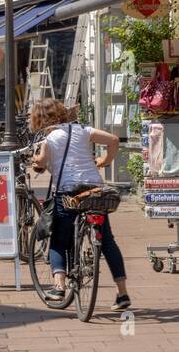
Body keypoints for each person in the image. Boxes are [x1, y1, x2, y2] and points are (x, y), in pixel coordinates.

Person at [30, 98, 131, 310]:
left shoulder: (50, 139)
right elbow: (113, 139)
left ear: (40, 119)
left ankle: (59, 287)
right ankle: (122, 293)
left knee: (59, 238)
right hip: (94, 190)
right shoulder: (83, 130)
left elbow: (41, 162)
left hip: (68, 192)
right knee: (107, 242)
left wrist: (36, 159)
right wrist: (105, 161)